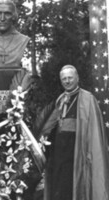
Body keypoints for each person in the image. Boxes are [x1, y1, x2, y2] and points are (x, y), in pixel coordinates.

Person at [34, 65, 109, 200]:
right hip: (59, 154)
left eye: (70, 78)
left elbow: (94, 130)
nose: (67, 81)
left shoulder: (88, 99)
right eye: (64, 79)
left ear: (77, 78)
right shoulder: (60, 99)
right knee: (59, 188)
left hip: (77, 152)